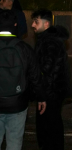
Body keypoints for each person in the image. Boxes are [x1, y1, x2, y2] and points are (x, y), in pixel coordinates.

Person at [0, 9, 46, 150]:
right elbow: (35, 76)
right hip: (18, 103)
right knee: (14, 141)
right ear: (15, 25)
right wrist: (41, 98)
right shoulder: (24, 48)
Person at [31, 9, 72, 150]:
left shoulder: (50, 42)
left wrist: (42, 95)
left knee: (48, 128)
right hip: (53, 92)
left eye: (36, 22)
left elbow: (46, 70)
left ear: (46, 24)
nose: (33, 25)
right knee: (51, 126)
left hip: (51, 92)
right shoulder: (47, 39)